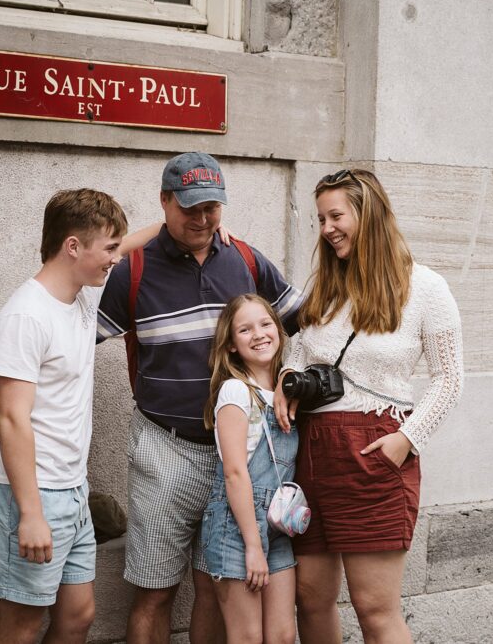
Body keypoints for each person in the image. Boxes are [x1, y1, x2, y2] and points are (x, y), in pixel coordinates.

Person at [96, 152, 303, 644]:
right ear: (164, 202)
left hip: (237, 458)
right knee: (155, 591)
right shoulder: (134, 270)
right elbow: (70, 337)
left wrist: (291, 374)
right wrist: (3, 384)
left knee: (214, 587)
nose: (203, 219)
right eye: (190, 207)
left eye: (212, 207)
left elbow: (307, 322)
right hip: (164, 451)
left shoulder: (247, 260)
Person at [273, 169, 464, 644]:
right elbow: (300, 351)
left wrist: (406, 440)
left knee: (375, 609)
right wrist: (283, 380)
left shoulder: (426, 288)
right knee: (311, 601)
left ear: (368, 213)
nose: (326, 228)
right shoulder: (325, 286)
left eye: (336, 215)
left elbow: (450, 378)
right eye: (320, 219)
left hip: (375, 454)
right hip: (311, 456)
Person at [0, 188, 128, 644]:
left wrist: (188, 220)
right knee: (21, 625)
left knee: (79, 616)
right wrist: (31, 514)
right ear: (73, 246)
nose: (117, 259)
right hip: (27, 495)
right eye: (110, 249)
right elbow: (11, 419)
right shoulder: (25, 316)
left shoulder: (80, 298)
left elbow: (130, 241)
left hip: (71, 491)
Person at [200, 294, 298, 644]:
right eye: (245, 329)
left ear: (279, 331)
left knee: (283, 636)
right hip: (237, 528)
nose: (258, 334)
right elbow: (235, 474)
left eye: (265, 323)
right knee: (247, 638)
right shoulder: (235, 392)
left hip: (277, 526)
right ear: (230, 346)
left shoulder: (288, 393)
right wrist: (253, 547)